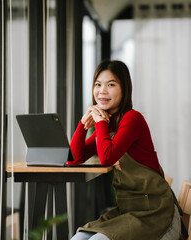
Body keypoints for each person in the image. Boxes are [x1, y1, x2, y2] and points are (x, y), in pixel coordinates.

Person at [68, 60, 181, 240]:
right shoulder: (108, 123)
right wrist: (83, 124)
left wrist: (100, 123)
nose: (102, 91)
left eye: (111, 84)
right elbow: (74, 158)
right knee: (78, 239)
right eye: (98, 84)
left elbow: (106, 157)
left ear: (124, 89)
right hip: (128, 212)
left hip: (156, 215)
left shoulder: (132, 119)